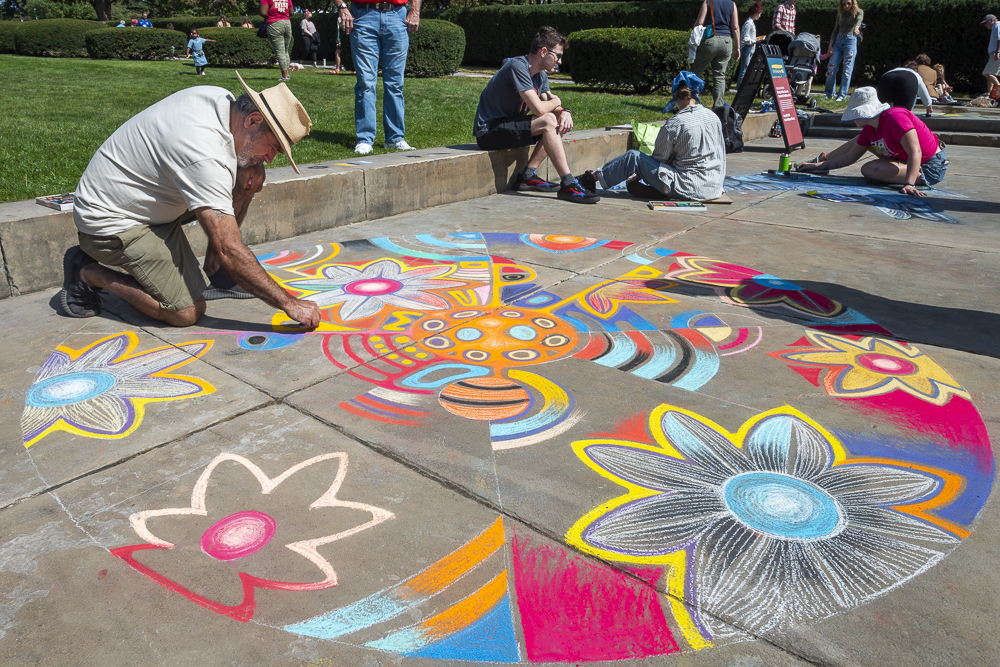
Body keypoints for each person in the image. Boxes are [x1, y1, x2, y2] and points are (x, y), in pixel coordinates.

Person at [60, 74, 320, 331]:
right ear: (253, 120)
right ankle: (88, 273)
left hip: (144, 199)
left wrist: (252, 164)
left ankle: (216, 272)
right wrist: (289, 303)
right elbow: (229, 248)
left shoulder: (220, 100)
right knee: (186, 311)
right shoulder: (205, 155)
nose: (271, 158)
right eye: (273, 147)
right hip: (112, 222)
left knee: (247, 177)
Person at [472, 27, 597, 204]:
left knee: (556, 121)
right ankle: (568, 184)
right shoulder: (518, 66)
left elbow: (552, 105)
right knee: (548, 121)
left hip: (509, 125)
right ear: (544, 51)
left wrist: (564, 112)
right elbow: (540, 109)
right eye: (558, 56)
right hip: (489, 131)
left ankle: (528, 176)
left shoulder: (540, 75)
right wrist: (557, 104)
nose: (560, 62)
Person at [577, 75, 725, 202]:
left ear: (674, 96)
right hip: (714, 187)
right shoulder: (713, 117)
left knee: (633, 157)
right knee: (638, 180)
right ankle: (659, 192)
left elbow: (660, 159)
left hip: (687, 186)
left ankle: (591, 179)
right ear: (697, 94)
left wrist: (641, 172)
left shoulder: (675, 123)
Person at [797, 87, 947, 196]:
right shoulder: (870, 129)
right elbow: (849, 157)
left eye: (856, 114)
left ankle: (916, 177)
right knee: (860, 141)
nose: (853, 118)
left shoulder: (896, 118)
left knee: (870, 169)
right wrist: (817, 166)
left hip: (930, 167)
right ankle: (823, 159)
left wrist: (909, 183)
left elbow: (916, 151)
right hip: (906, 159)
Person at [339, 0, 420, 154]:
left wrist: (415, 10)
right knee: (366, 82)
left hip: (397, 15)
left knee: (395, 84)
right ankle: (365, 138)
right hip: (363, 15)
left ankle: (395, 138)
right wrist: (342, 7)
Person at [690, 0, 740, 109]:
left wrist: (693, 35)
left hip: (710, 40)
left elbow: (700, 22)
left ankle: (689, 104)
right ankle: (718, 107)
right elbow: (735, 27)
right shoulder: (732, 4)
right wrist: (738, 47)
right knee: (720, 76)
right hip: (727, 42)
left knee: (695, 72)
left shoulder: (708, 2)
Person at [824, 0, 863, 101]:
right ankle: (829, 93)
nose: (846, 6)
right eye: (844, 4)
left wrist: (857, 28)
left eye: (848, 3)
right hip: (838, 41)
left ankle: (841, 95)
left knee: (847, 70)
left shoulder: (859, 11)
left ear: (853, 3)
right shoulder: (840, 14)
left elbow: (859, 21)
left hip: (850, 41)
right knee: (831, 68)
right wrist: (830, 46)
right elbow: (835, 30)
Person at [261, 0, 293, 82]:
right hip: (287, 23)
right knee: (286, 50)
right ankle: (287, 74)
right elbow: (292, 12)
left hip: (274, 23)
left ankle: (284, 76)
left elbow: (263, 12)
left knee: (279, 51)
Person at [737, 1, 763, 88]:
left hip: (750, 47)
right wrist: (755, 41)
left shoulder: (751, 22)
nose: (760, 15)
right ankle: (739, 87)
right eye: (759, 13)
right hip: (746, 48)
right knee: (745, 69)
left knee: (747, 68)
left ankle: (741, 87)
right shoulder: (748, 23)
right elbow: (745, 38)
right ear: (756, 13)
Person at [981, 14, 1000, 101]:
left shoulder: (997, 25)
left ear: (992, 20)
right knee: (990, 74)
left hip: (996, 54)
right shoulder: (996, 26)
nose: (985, 25)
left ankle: (999, 90)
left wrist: (997, 52)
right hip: (993, 54)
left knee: (986, 73)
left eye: (986, 23)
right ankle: (989, 93)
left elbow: (999, 39)